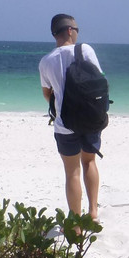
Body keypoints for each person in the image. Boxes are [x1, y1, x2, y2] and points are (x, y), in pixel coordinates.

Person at [38, 14, 102, 223]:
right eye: (76, 29)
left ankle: (75, 224)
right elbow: (100, 81)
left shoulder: (46, 61)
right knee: (89, 162)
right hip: (90, 119)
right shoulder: (85, 50)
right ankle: (92, 213)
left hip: (65, 124)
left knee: (72, 172)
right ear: (69, 30)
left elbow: (48, 95)